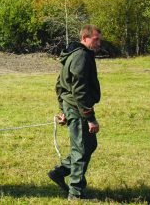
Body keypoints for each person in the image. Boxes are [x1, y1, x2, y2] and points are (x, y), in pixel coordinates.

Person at [48, 24, 102, 200]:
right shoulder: (81, 56)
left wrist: (63, 110)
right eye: (96, 39)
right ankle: (76, 193)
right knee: (81, 150)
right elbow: (79, 90)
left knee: (89, 145)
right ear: (85, 38)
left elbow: (60, 85)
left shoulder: (74, 55)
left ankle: (60, 171)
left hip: (73, 108)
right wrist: (90, 117)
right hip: (78, 109)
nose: (98, 43)